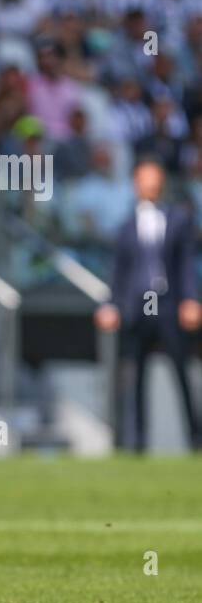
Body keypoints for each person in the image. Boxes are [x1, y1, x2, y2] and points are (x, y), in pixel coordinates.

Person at [96, 158, 202, 451]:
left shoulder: (179, 219)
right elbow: (118, 271)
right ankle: (137, 440)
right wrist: (110, 304)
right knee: (135, 376)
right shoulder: (126, 227)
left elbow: (185, 265)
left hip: (168, 304)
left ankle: (195, 438)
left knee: (181, 371)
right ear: (136, 183)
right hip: (138, 306)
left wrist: (192, 299)